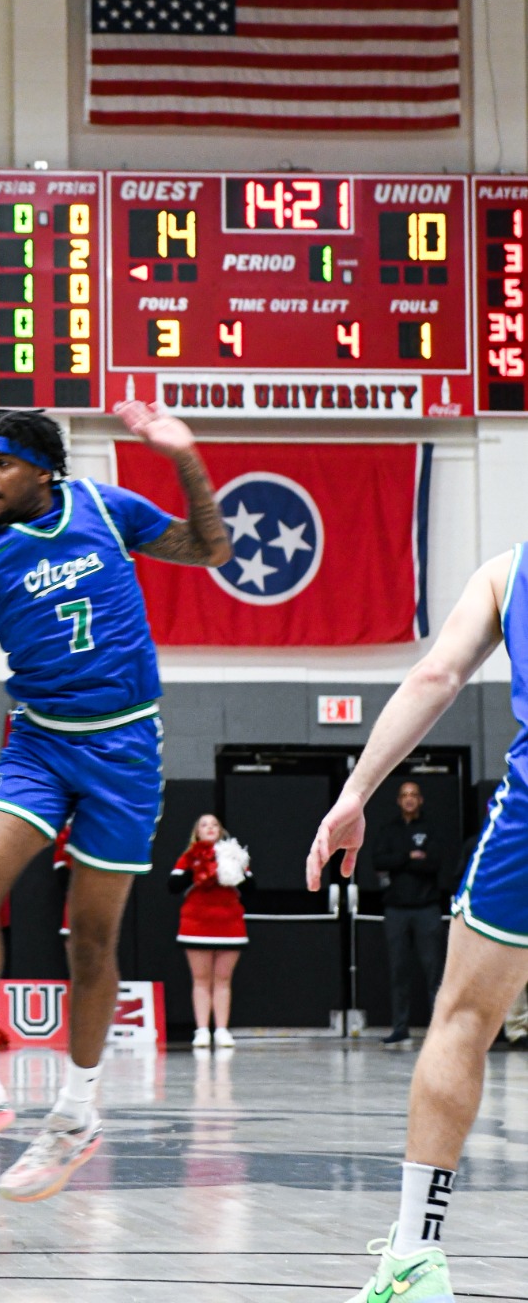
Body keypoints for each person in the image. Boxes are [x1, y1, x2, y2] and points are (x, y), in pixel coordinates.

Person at [0, 402, 232, 1201]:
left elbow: (210, 548)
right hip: (38, 743)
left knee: (90, 943)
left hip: (124, 748)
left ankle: (74, 1117)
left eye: (0, 464)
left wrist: (182, 454)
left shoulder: (101, 507)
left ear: (43, 472)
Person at [306, 542, 528, 1303]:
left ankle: (415, 1257)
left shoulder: (509, 570)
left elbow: (434, 674)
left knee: (462, 1020)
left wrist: (353, 793)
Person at [373, 779, 445, 1049]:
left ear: (421, 799)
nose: (409, 799)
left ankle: (438, 1029)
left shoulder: (430, 829)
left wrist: (401, 862)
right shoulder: (388, 830)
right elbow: (379, 861)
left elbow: (434, 863)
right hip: (396, 911)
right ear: (398, 800)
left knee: (433, 972)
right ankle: (400, 1027)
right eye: (405, 795)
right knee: (399, 971)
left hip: (427, 908)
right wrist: (409, 856)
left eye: (414, 794)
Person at [170, 812, 250, 1049]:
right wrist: (199, 869)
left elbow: (251, 889)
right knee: (201, 979)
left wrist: (233, 869)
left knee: (223, 979)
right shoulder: (188, 857)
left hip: (229, 923)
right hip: (197, 924)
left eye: (215, 824)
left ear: (221, 830)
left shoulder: (234, 855)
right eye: (204, 824)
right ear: (197, 832)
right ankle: (203, 1030)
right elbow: (173, 886)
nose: (210, 827)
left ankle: (222, 1030)